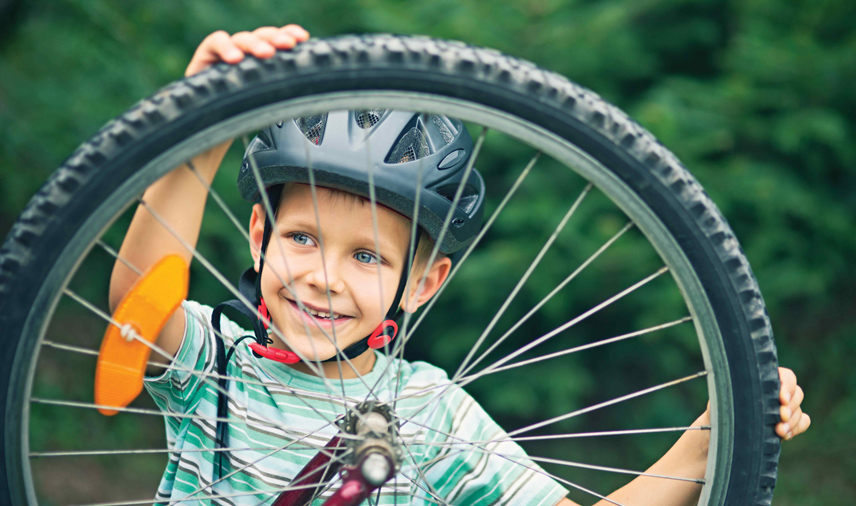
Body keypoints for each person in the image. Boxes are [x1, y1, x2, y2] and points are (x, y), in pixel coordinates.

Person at [109, 25, 811, 506]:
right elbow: (137, 309)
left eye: (365, 256)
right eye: (302, 239)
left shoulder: (431, 412)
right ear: (258, 234)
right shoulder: (218, 366)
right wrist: (196, 127)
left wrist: (707, 441)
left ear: (424, 282)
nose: (324, 276)